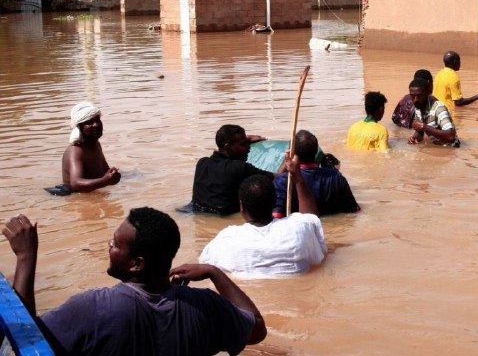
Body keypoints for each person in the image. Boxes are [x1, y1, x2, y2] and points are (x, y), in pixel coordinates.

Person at [2, 208, 267, 355]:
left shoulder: (93, 308)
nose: (109, 245)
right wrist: (214, 272)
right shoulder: (205, 306)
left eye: (116, 244)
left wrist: (26, 258)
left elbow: (25, 346)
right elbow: (256, 330)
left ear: (136, 264)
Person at [199, 157, 327, 278]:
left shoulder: (225, 239)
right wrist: (298, 177)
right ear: (275, 202)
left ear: (242, 207)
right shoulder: (297, 230)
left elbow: (205, 264)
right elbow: (311, 219)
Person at [192, 124, 277, 215]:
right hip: (225, 217)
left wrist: (245, 140)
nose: (248, 148)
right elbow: (276, 177)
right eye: (243, 144)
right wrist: (288, 158)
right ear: (227, 147)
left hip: (196, 212)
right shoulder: (239, 167)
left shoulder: (202, 163)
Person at [273, 130, 360, 217]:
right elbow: (354, 212)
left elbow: (276, 216)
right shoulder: (336, 177)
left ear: (292, 153)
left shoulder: (283, 181)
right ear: (316, 152)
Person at [51, 101, 121, 195]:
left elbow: (104, 172)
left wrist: (112, 175)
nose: (96, 125)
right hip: (76, 198)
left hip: (93, 195)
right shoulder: (76, 150)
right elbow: (76, 183)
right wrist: (105, 181)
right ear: (80, 127)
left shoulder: (96, 144)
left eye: (98, 120)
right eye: (89, 122)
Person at [433, 50, 478, 115]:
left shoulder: (439, 74)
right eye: (459, 60)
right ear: (455, 62)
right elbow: (459, 102)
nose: (460, 63)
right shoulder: (453, 77)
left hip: (437, 112)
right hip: (448, 114)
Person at [408, 78, 460, 147]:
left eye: (419, 95)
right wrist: (415, 138)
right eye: (412, 96)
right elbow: (420, 132)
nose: (415, 100)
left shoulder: (438, 108)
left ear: (427, 93)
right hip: (437, 149)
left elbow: (451, 136)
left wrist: (424, 126)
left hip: (451, 149)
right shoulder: (418, 106)